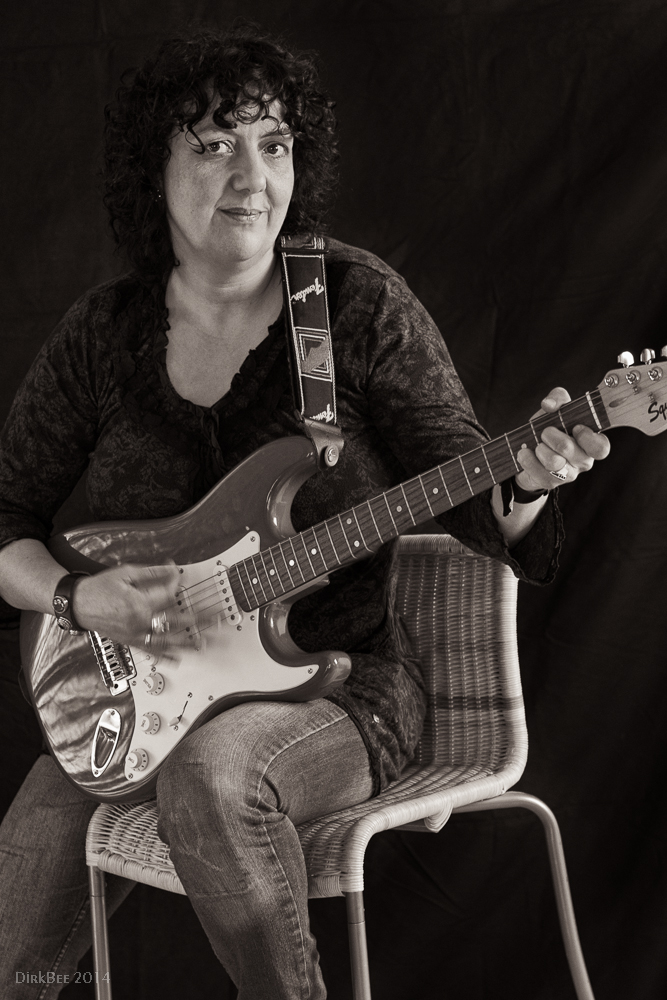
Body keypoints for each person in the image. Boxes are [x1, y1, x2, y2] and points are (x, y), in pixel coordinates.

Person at [0, 22, 610, 1000]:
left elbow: (473, 495)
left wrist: (530, 480)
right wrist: (77, 599)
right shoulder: (102, 336)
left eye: (273, 143)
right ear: (152, 170)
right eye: (214, 144)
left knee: (213, 775)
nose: (252, 176)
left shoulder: (352, 307)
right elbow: (6, 518)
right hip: (131, 699)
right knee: (16, 928)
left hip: (337, 689)